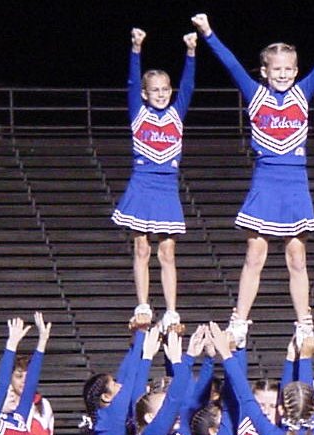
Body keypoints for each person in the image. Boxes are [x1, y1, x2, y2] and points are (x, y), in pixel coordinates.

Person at [191, 13, 314, 342]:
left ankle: (304, 324)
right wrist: (208, 32)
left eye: (288, 69)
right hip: (266, 182)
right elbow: (231, 64)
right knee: (254, 255)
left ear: (296, 71)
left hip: (295, 183)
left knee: (297, 257)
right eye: (277, 69)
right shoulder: (255, 95)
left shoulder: (302, 93)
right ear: (264, 72)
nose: (283, 74)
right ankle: (239, 321)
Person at [112, 27, 197, 333]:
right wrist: (136, 48)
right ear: (145, 94)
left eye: (165, 89)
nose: (161, 94)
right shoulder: (139, 114)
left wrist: (191, 52)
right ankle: (143, 305)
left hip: (166, 187)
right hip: (142, 184)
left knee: (167, 251)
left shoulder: (176, 114)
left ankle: (172, 311)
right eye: (155, 90)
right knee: (141, 248)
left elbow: (189, 85)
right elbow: (131, 82)